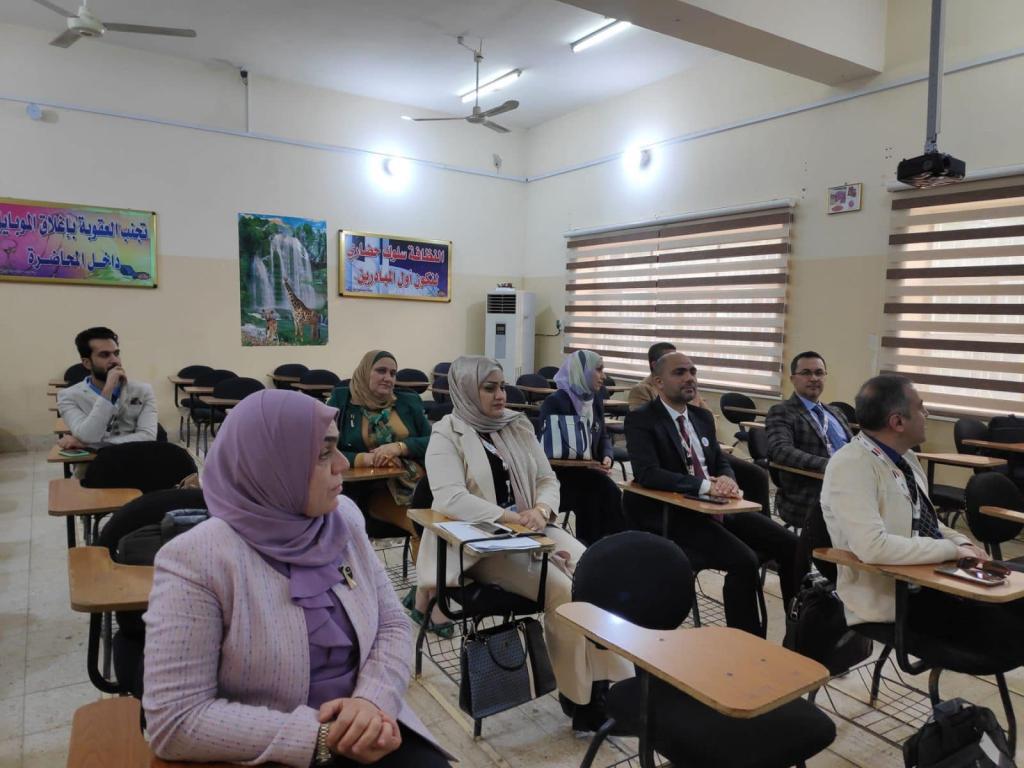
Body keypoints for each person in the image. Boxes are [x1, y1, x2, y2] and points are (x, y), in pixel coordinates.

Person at [143, 389, 449, 767]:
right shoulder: (197, 559)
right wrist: (323, 736)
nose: (342, 464)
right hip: (267, 748)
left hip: (369, 721)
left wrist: (371, 699)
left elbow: (392, 624)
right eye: (323, 453)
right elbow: (175, 720)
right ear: (271, 466)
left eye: (337, 448)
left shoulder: (342, 517)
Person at [418, 355, 631, 731]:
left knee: (597, 577)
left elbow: (548, 479)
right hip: (481, 542)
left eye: (502, 386)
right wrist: (512, 518)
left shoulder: (516, 426)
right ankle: (580, 699)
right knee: (562, 589)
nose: (501, 395)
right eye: (489, 388)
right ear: (465, 391)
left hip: (532, 527)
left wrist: (541, 510)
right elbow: (450, 498)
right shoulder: (446, 434)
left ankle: (605, 684)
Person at [821, 375, 1024, 664]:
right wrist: (952, 551)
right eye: (920, 407)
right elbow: (873, 548)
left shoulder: (905, 458)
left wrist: (962, 543)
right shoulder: (850, 466)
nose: (926, 414)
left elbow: (927, 521)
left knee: (1016, 593)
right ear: (897, 422)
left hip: (935, 577)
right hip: (900, 597)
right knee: (1011, 631)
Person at [624, 351, 800, 636]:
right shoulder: (642, 419)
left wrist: (728, 479)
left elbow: (720, 461)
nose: (689, 378)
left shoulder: (702, 417)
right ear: (658, 382)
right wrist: (704, 486)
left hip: (717, 504)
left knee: (792, 545)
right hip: (678, 512)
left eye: (692, 371)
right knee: (745, 561)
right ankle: (745, 644)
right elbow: (648, 473)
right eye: (679, 372)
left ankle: (798, 630)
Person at [327, 350, 430, 564]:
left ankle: (439, 583)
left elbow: (433, 441)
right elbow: (325, 448)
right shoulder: (342, 400)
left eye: (393, 373)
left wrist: (401, 447)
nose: (388, 378)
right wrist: (364, 459)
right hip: (371, 491)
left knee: (446, 524)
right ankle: (429, 585)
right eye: (381, 371)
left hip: (416, 485)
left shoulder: (408, 401)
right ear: (365, 371)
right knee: (424, 528)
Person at [538, 350, 626, 545]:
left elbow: (603, 435)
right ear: (581, 371)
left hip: (588, 474)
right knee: (599, 492)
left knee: (604, 492)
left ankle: (609, 545)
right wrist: (587, 465)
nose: (603, 376)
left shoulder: (595, 400)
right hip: (560, 477)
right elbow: (547, 449)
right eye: (598, 370)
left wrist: (607, 456)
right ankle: (602, 546)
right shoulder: (556, 402)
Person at [766, 351, 852, 528]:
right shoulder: (782, 411)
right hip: (813, 490)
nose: (814, 378)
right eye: (806, 373)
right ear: (793, 379)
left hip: (851, 484)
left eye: (819, 373)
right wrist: (832, 466)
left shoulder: (836, 413)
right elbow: (780, 451)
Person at [57, 327, 158, 450]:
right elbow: (88, 436)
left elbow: (148, 436)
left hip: (135, 455)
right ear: (87, 363)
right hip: (94, 459)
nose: (115, 360)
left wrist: (93, 445)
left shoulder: (143, 390)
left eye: (116, 353)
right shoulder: (68, 396)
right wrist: (107, 390)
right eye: (104, 355)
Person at [627, 341, 710, 411]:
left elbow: (711, 421)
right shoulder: (642, 390)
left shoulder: (687, 387)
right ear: (655, 365)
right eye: (669, 358)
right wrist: (694, 408)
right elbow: (642, 421)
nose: (689, 378)